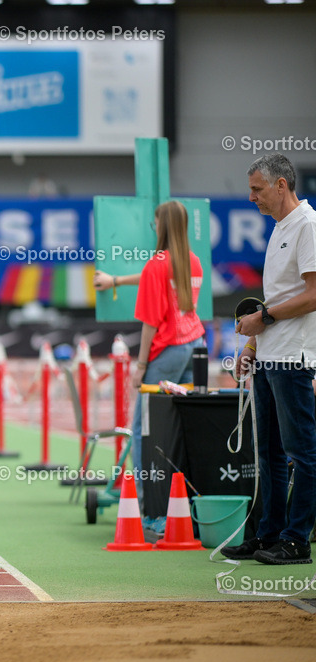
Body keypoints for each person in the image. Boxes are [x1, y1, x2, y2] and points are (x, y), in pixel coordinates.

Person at [224, 153, 316, 565]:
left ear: (282, 185)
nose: (251, 197)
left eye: (257, 189)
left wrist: (266, 318)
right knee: (271, 455)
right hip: (270, 357)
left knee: (303, 452)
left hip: (294, 358)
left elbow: (314, 295)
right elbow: (277, 300)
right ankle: (269, 535)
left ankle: (296, 540)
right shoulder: (282, 227)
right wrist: (252, 346)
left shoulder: (308, 226)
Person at [120, 201, 207, 533]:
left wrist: (140, 365)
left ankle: (152, 514)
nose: (153, 226)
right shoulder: (194, 261)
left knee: (146, 432)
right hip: (195, 345)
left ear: (162, 225)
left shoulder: (156, 265)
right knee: (185, 430)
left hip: (168, 351)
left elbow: (150, 323)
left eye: (156, 221)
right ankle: (187, 510)